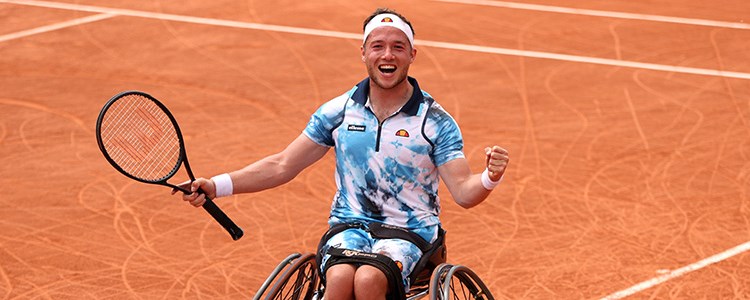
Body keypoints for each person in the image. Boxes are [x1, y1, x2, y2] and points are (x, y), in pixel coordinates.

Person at [176, 7, 509, 300]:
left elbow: (465, 193)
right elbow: (282, 164)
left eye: (398, 47)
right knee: (338, 279)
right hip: (349, 226)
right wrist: (215, 186)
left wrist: (489, 178)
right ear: (363, 53)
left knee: (368, 280)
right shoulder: (338, 112)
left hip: (412, 233)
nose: (387, 55)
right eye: (378, 46)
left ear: (412, 55)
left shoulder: (435, 122)